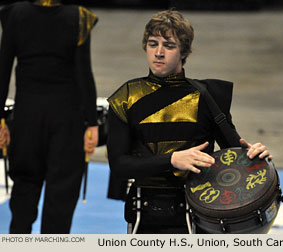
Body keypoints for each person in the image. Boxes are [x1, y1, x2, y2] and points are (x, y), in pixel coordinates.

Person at [107, 9, 272, 234]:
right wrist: (173, 159)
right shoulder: (125, 97)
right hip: (145, 215)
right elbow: (119, 166)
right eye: (153, 43)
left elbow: (233, 154)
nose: (159, 52)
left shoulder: (208, 95)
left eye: (169, 45)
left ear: (184, 51)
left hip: (200, 215)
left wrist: (256, 158)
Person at [0, 0, 98, 234]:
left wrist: (0, 119)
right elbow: (84, 74)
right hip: (66, 120)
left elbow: (3, 69)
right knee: (61, 196)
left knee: (24, 190)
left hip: (26, 119)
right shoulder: (80, 17)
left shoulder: (14, 14)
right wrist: (92, 123)